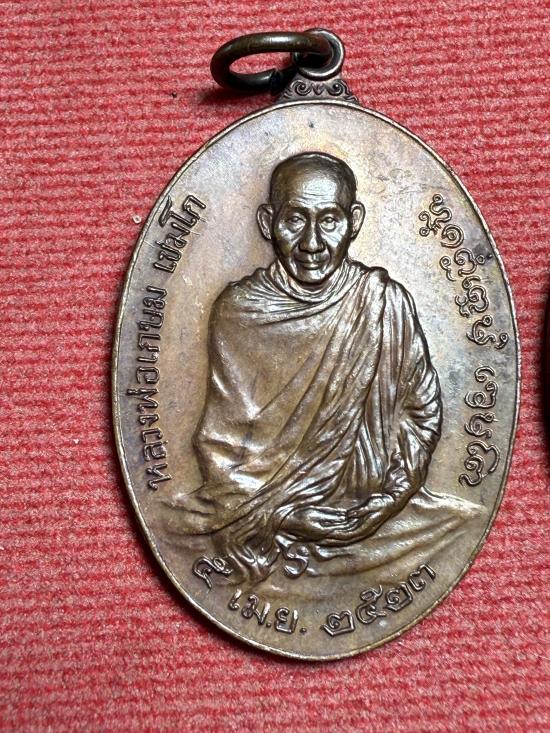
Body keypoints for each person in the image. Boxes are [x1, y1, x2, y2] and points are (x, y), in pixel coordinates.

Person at [166, 152, 455, 582]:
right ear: (268, 223)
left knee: (456, 523)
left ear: (354, 221)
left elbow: (421, 415)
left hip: (379, 510)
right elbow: (221, 448)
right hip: (263, 514)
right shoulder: (240, 312)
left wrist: (384, 504)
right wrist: (286, 515)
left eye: (330, 220)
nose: (312, 243)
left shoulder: (384, 303)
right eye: (295, 219)